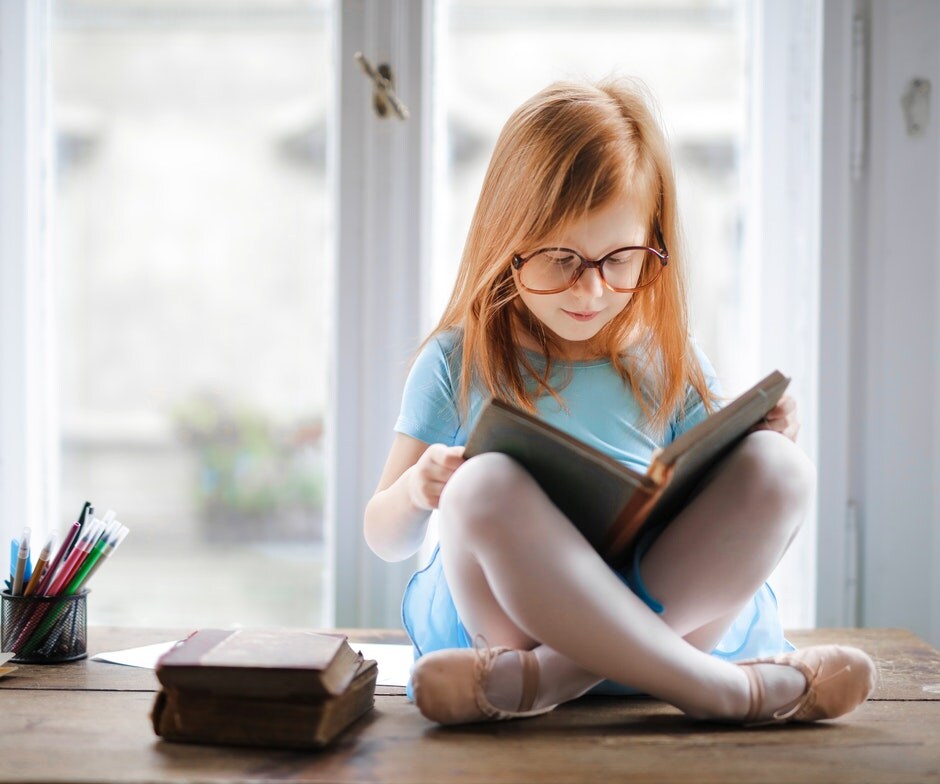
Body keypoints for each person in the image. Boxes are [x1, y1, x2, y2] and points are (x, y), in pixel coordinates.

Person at [363, 78, 875, 726]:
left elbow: (726, 491)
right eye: (559, 259)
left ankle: (555, 679)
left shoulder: (666, 355)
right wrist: (417, 490)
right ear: (506, 240)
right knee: (479, 486)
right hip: (511, 628)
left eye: (621, 259)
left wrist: (765, 434)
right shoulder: (458, 360)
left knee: (781, 467)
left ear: (652, 244)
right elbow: (382, 536)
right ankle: (722, 692)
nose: (592, 289)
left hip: (649, 623)